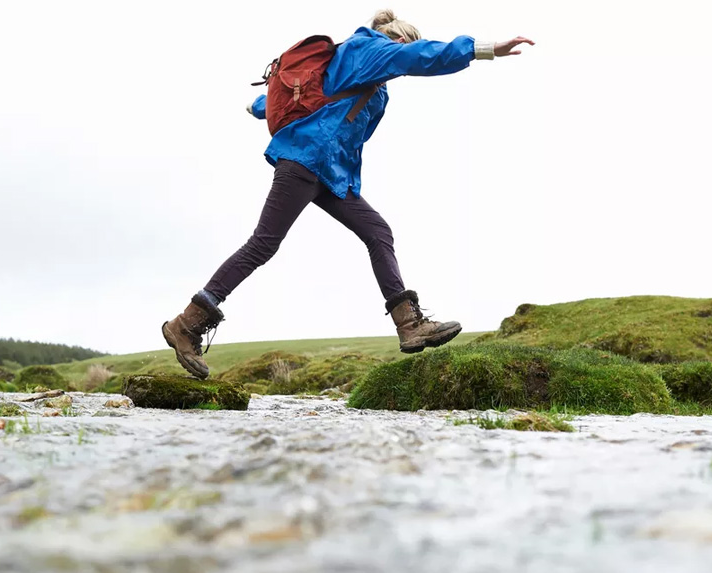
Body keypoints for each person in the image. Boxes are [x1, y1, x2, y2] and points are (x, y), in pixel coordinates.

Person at [163, 9, 535, 379]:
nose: (403, 60)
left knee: (377, 231)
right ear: (401, 40)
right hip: (305, 161)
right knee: (263, 244)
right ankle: (187, 323)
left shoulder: (362, 68)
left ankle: (409, 326)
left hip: (328, 174)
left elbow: (308, 96)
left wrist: (258, 107)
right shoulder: (370, 50)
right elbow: (422, 57)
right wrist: (485, 49)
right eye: (409, 47)